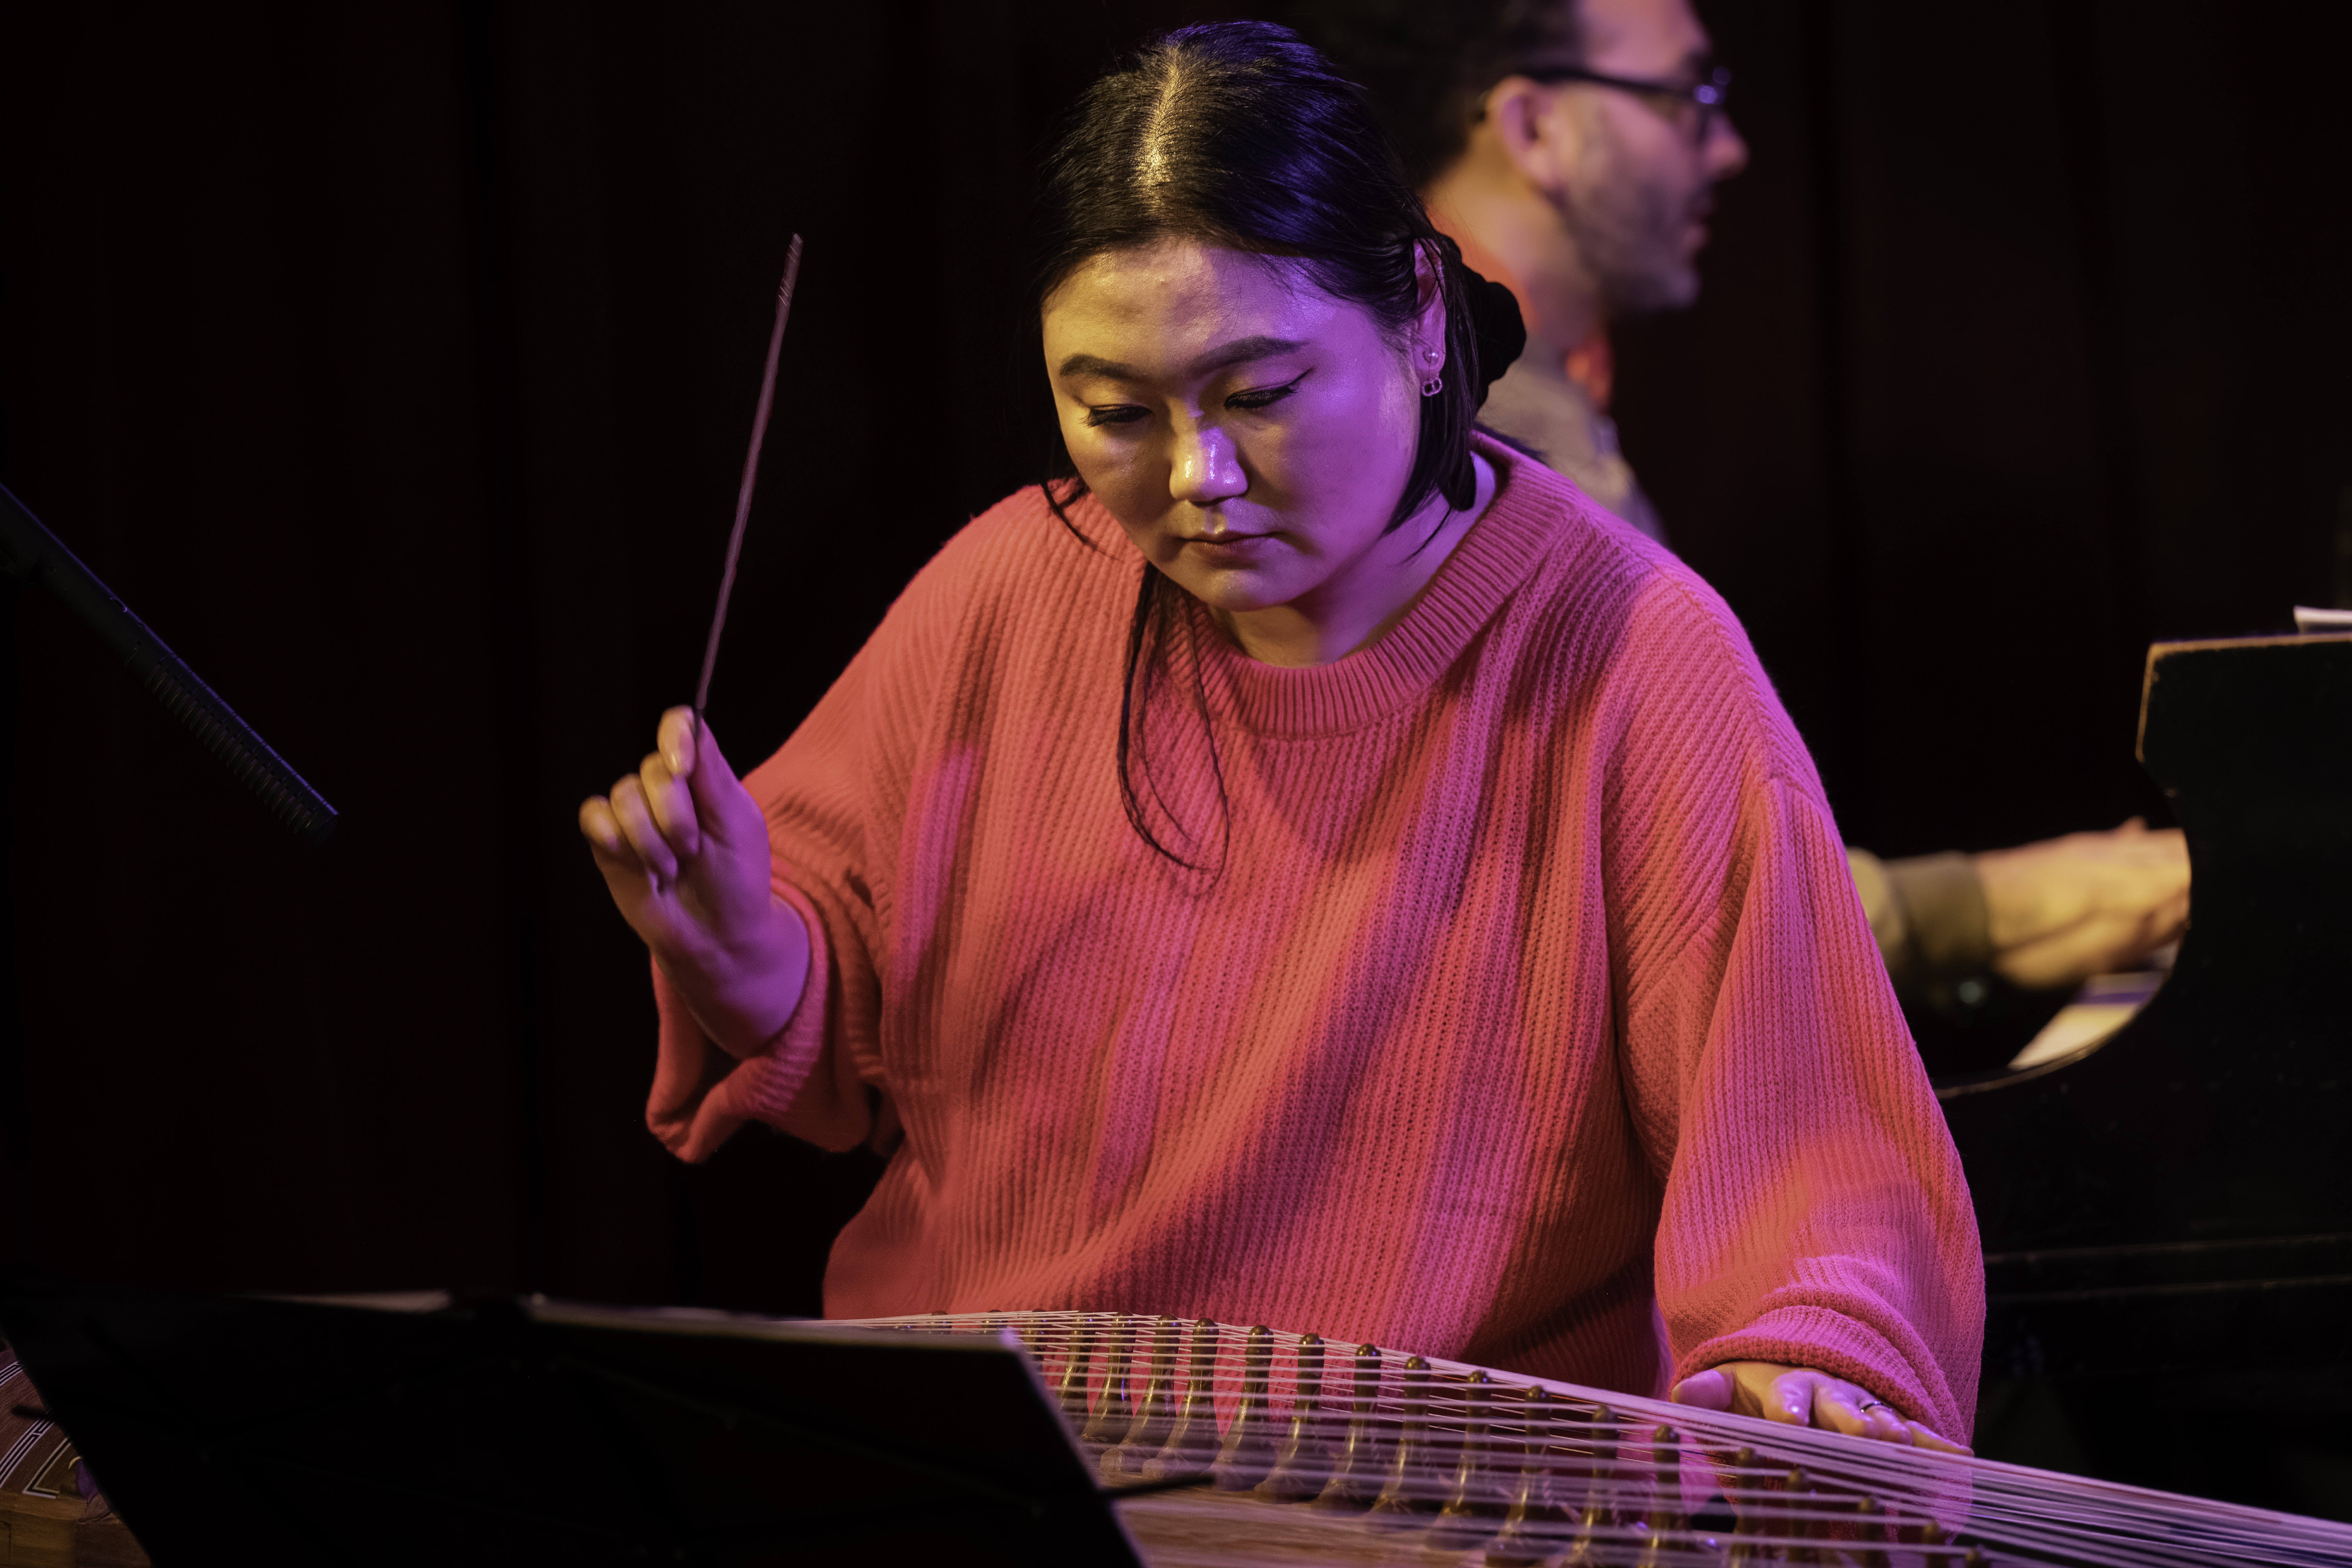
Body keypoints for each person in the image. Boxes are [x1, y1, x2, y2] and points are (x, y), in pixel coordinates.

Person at [579, 22, 1979, 1450]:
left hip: (1398, 1508)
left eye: (1259, 394)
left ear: (1423, 313)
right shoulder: (1006, 591)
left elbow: (1817, 1163)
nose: (1196, 477)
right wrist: (741, 949)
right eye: (1114, 409)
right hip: (983, 1453)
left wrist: (1817, 1363)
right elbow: (840, 1038)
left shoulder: (1631, 656)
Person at [1287, 0, 2190, 1003]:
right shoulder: (1473, 438)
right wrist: (2009, 906)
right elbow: (1645, 904)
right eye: (1690, 97)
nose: (1730, 150)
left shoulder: (1507, 396)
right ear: (1535, 130)